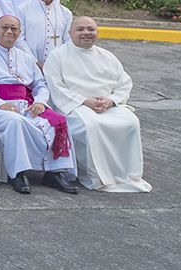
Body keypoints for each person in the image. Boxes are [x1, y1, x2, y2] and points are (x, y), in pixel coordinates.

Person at [42, 17, 152, 192]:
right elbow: (55, 86)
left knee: (131, 122)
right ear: (70, 34)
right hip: (75, 106)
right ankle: (94, 174)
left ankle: (126, 174)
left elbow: (124, 83)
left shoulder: (107, 56)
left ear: (97, 33)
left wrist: (110, 101)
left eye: (91, 29)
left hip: (106, 105)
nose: (86, 33)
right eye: (80, 29)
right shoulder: (58, 56)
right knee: (90, 125)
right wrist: (85, 101)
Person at [0, 15, 78, 194]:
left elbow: (39, 84)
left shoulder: (26, 58)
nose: (9, 32)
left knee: (58, 121)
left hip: (25, 104)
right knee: (15, 122)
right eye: (4, 27)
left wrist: (39, 102)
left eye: (14, 29)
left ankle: (55, 172)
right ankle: (19, 173)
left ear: (19, 32)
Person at [18, 0, 73, 66]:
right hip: (29, 62)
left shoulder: (66, 13)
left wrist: (59, 60)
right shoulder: (23, 9)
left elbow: (68, 40)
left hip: (57, 64)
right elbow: (19, 39)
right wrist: (34, 61)